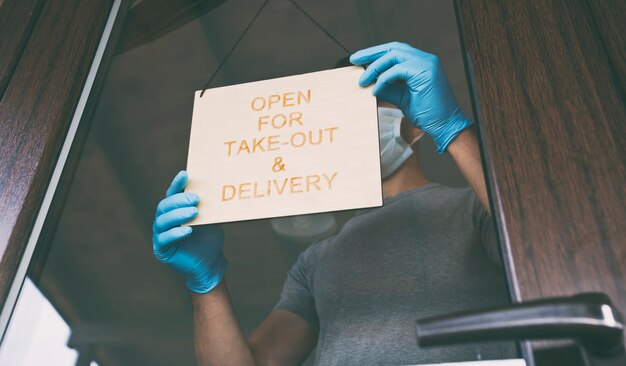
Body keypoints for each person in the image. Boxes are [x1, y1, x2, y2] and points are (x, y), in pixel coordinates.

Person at [152, 42, 515, 365]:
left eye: (372, 101)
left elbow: (541, 249)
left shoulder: (474, 210)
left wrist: (452, 128)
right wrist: (207, 283)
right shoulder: (316, 259)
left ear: (416, 121)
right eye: (340, 110)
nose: (351, 120)